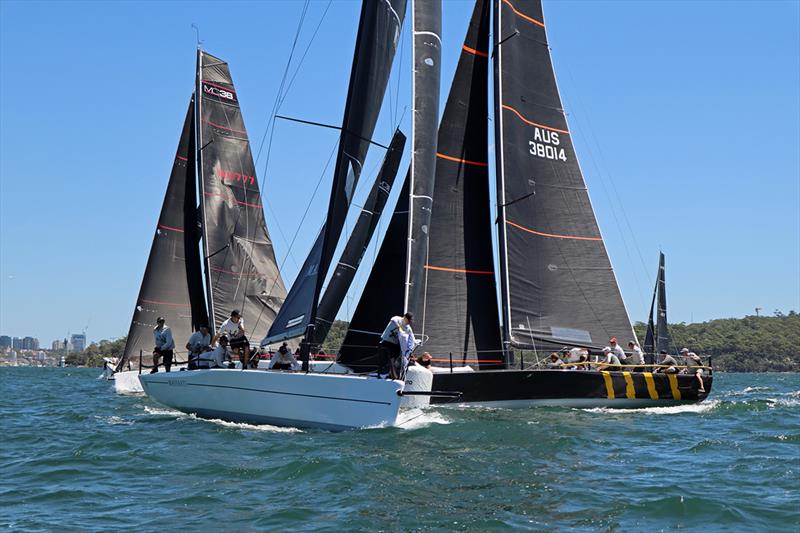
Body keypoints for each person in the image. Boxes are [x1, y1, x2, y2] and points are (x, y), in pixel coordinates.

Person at [377, 312, 415, 379]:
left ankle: (393, 374)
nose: (409, 322)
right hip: (386, 342)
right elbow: (393, 319)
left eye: (410, 321)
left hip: (395, 345)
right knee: (391, 356)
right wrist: (400, 328)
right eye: (409, 320)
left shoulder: (408, 328)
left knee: (400, 355)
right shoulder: (396, 319)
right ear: (405, 317)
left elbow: (411, 337)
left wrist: (410, 348)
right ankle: (393, 376)